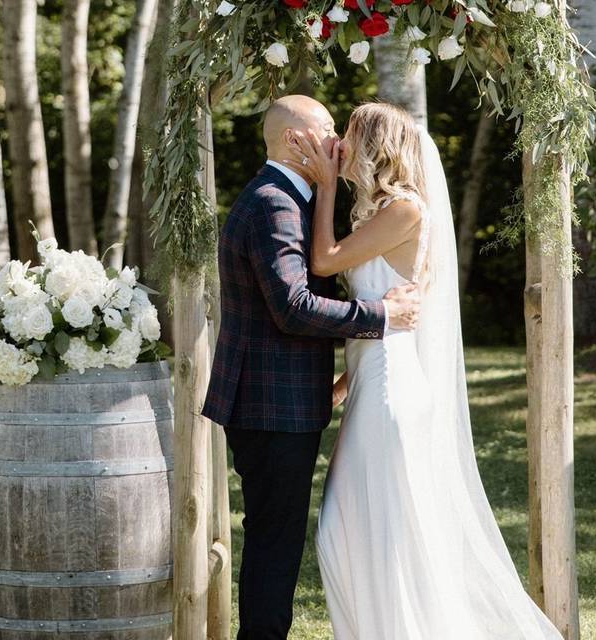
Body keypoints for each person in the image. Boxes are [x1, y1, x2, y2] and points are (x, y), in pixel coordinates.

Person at [286, 102, 564, 639]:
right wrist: (345, 383)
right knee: (346, 531)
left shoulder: (406, 210)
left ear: (374, 148)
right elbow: (381, 311)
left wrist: (323, 186)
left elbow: (322, 261)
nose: (337, 143)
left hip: (392, 393)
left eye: (349, 134)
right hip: (373, 384)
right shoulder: (377, 212)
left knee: (377, 534)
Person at [201, 95, 421, 640]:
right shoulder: (275, 202)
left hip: (282, 402)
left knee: (278, 537)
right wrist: (382, 315)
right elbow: (294, 308)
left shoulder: (291, 199)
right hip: (271, 405)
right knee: (276, 540)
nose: (338, 142)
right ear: (295, 140)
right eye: (327, 129)